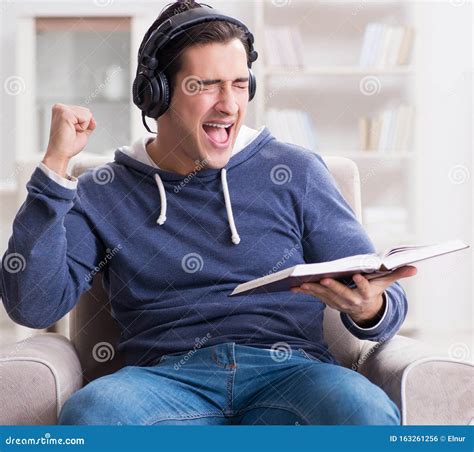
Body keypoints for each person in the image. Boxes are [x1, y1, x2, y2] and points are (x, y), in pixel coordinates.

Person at [1, 1, 416, 425]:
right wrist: (54, 170)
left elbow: (381, 287)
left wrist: (370, 307)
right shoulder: (104, 190)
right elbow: (32, 306)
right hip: (160, 382)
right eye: (207, 85)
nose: (229, 105)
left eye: (239, 85)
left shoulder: (295, 171)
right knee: (93, 414)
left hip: (293, 373)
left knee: (363, 411)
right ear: (156, 93)